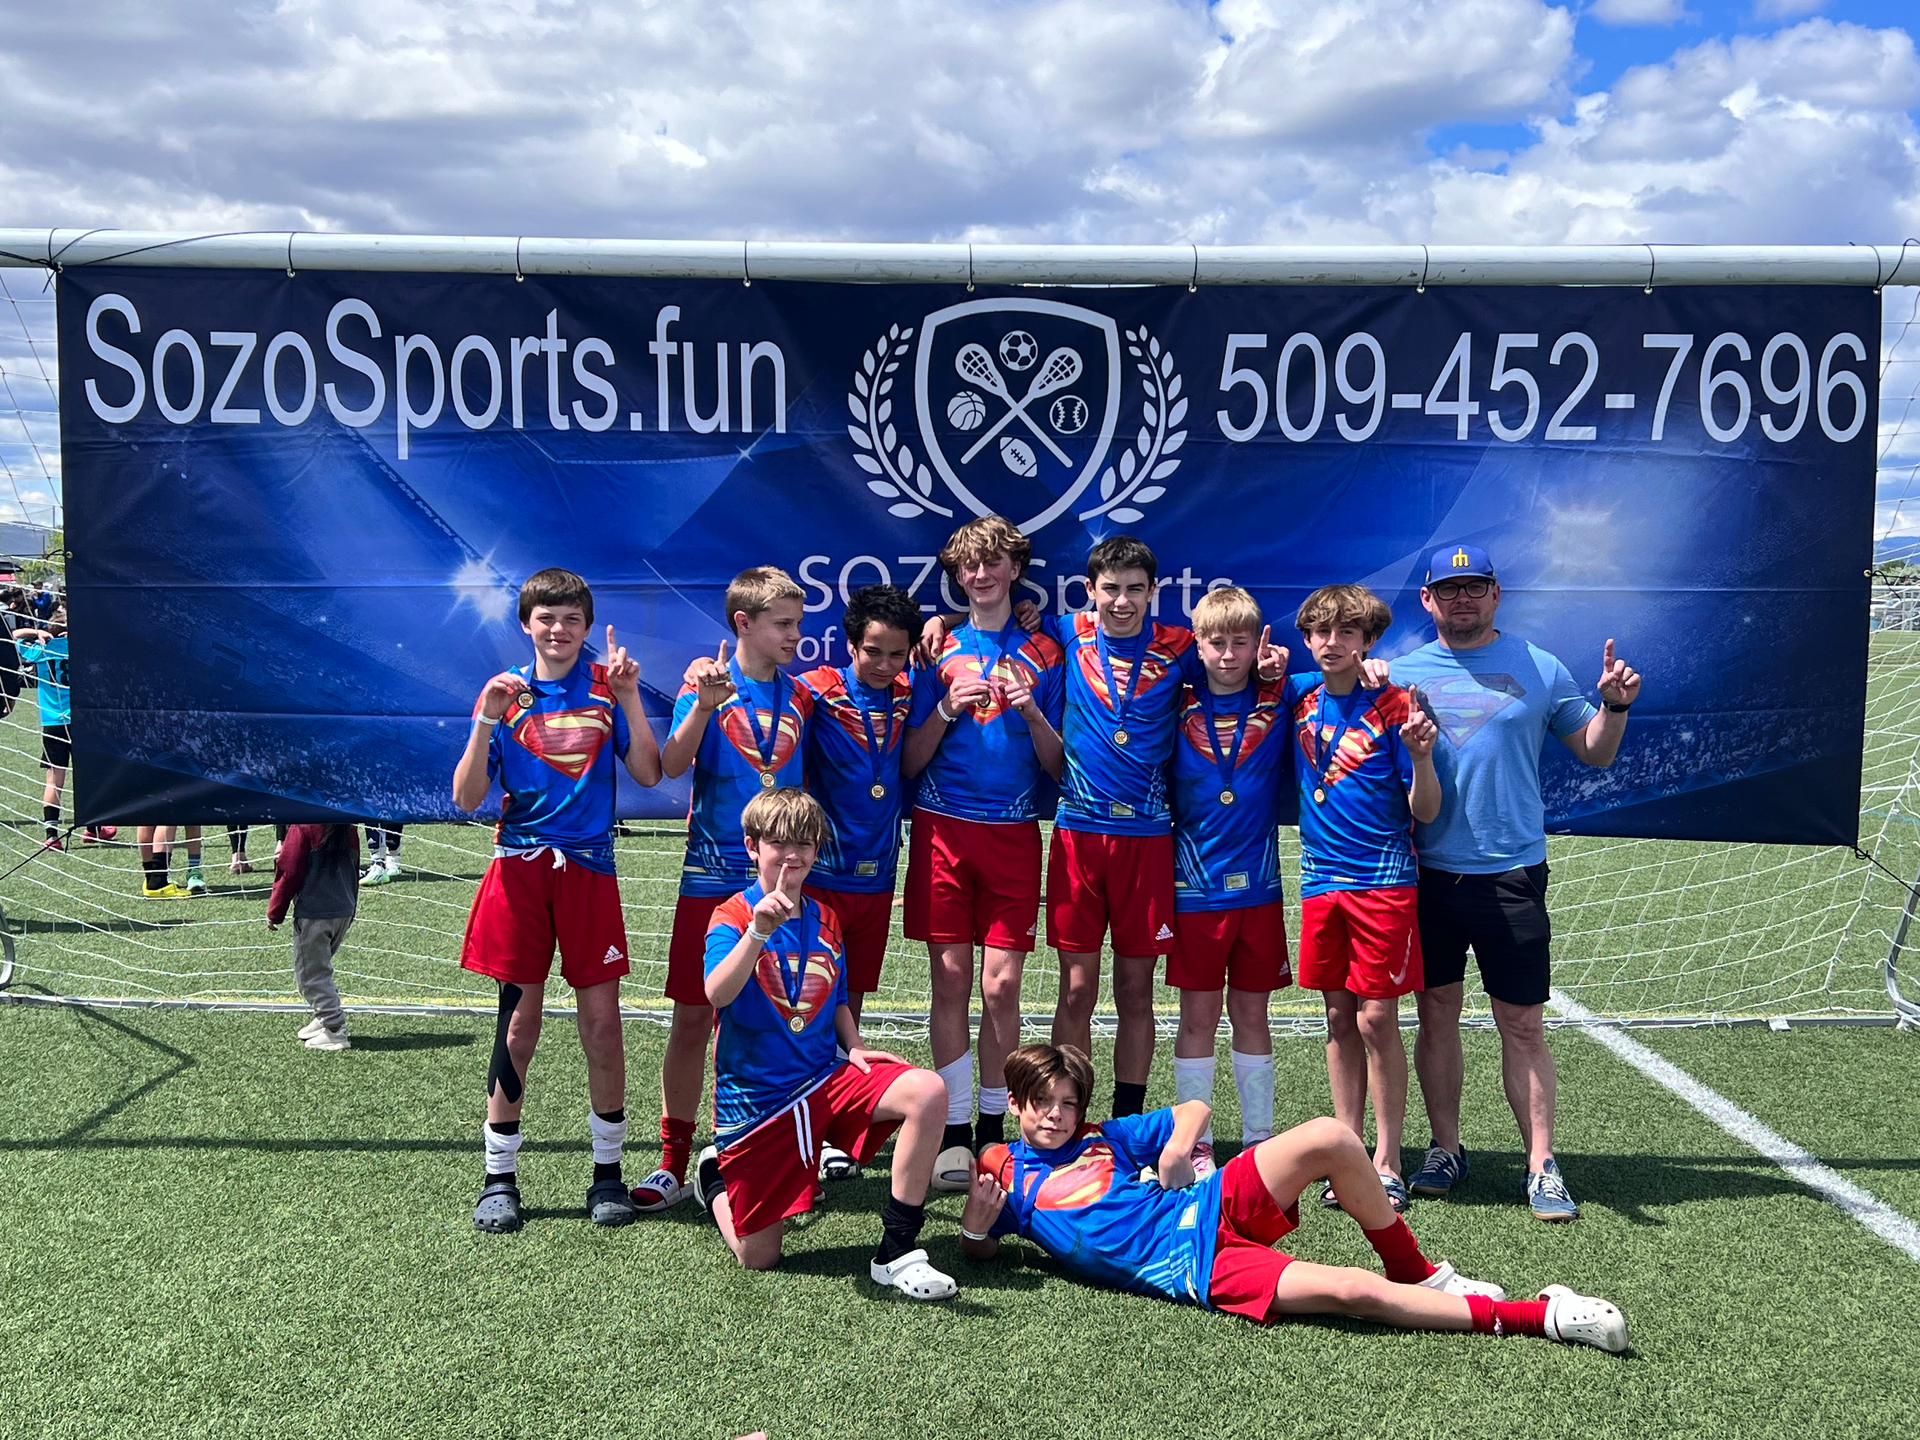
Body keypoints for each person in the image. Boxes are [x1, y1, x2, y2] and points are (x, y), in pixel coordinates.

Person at [960, 1043, 1627, 1351]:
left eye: (1067, 1105)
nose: (1056, 1116)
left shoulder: (1106, 1136)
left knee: (1332, 1137)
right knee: (1351, 1294)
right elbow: (986, 1249)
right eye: (1041, 1105)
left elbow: (1192, 1107)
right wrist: (973, 1230)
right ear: (1015, 1105)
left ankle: (1424, 1274)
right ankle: (1540, 1317)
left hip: (1206, 1202)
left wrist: (1173, 1149)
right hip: (1193, 1268)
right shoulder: (1011, 1179)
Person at [1390, 544, 1642, 1221]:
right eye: (1449, 589)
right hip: (1428, 878)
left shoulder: (1541, 666)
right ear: (1427, 600)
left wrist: (1613, 708)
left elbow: (1592, 751)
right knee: (1435, 1015)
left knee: (1522, 1026)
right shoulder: (1400, 674)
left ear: (1497, 594)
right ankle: (1446, 1149)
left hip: (1511, 876)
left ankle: (1541, 1164)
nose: (1462, 600)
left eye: (1475, 588)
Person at [1027, 536, 1285, 1119]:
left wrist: (1270, 673)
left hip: (1148, 840)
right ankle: (1069, 1118)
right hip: (1078, 832)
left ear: (1153, 593)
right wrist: (940, 623)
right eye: (1110, 590)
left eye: (1135, 590)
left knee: (1135, 990)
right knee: (1075, 989)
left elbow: (1233, 675)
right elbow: (992, 625)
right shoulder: (1064, 632)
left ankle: (1128, 1122)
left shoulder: (1180, 646)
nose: (1122, 601)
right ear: (1089, 592)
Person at [452, 567, 663, 1233]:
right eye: (547, 617)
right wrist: (485, 719)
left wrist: (630, 696)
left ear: (585, 627)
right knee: (519, 1027)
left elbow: (651, 774)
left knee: (602, 1024)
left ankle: (606, 1176)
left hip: (590, 874)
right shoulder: (506, 696)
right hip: (520, 877)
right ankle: (499, 1176)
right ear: (526, 624)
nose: (559, 628)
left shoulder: (606, 690)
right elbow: (464, 797)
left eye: (571, 618)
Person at [693, 788, 955, 1300]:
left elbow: (835, 999)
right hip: (759, 1102)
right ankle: (714, 1180)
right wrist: (758, 934)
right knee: (759, 1257)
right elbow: (715, 993)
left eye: (806, 844)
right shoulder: (730, 915)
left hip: (824, 1080)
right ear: (752, 846)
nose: (794, 856)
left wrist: (853, 1047)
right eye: (780, 843)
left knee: (927, 1091)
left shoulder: (827, 918)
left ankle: (897, 1250)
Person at [900, 516, 1065, 1192]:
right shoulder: (932, 648)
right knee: (949, 982)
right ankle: (956, 1132)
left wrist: (1031, 715)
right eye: (969, 565)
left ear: (1015, 569)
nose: (981, 574)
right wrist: (942, 709)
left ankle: (996, 1129)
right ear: (957, 574)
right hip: (941, 829)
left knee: (1002, 988)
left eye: (993, 562)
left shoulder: (1048, 652)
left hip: (1015, 832)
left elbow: (1061, 769)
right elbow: (910, 758)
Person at [643, 566, 815, 1212]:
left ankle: (765, 1153)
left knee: (778, 1018)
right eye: (784, 625)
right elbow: (671, 765)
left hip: (782, 886)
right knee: (693, 1018)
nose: (796, 635)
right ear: (743, 624)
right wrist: (705, 706)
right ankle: (671, 1161)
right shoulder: (705, 686)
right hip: (710, 880)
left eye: (797, 623)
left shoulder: (801, 698)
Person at [1287, 584, 1439, 1214]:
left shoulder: (1397, 703)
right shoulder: (1297, 694)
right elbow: (1226, 665)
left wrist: (1423, 758)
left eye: (1347, 633)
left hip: (1383, 883)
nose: (1332, 643)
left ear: (1370, 641)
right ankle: (1347, 1151)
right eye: (1321, 632)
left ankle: (1388, 1159)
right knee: (1336, 1019)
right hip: (1321, 882)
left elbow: (1425, 809)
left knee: (1378, 1021)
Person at [792, 584, 921, 1179]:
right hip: (820, 879)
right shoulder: (815, 691)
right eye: (873, 652)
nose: (885, 665)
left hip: (877, 880)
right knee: (808, 1000)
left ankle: (837, 1128)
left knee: (851, 1003)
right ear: (850, 643)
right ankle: (794, 1122)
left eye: (897, 654)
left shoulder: (908, 697)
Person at [1167, 587, 1293, 1174]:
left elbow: (1338, 680)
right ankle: (1196, 1142)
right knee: (1196, 1017)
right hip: (1194, 891)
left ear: (1258, 644)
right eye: (1216, 642)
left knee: (1252, 1013)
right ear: (1199, 643)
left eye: (1240, 642)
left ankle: (1258, 1139)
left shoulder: (1283, 697)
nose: (1228, 653)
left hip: (1260, 892)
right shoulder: (1176, 705)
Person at [14, 605, 114, 849]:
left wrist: (36, 632)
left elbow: (12, 636)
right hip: (81, 721)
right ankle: (93, 827)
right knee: (88, 776)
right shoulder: (83, 649)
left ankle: (52, 835)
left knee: (54, 780)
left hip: (53, 724)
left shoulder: (40, 650)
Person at [267, 822, 362, 1052]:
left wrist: (275, 912)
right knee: (320, 967)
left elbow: (288, 872)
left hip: (315, 915)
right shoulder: (349, 829)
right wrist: (352, 909)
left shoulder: (303, 828)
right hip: (343, 911)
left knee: (311, 976)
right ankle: (323, 1018)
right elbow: (354, 870)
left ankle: (335, 1028)